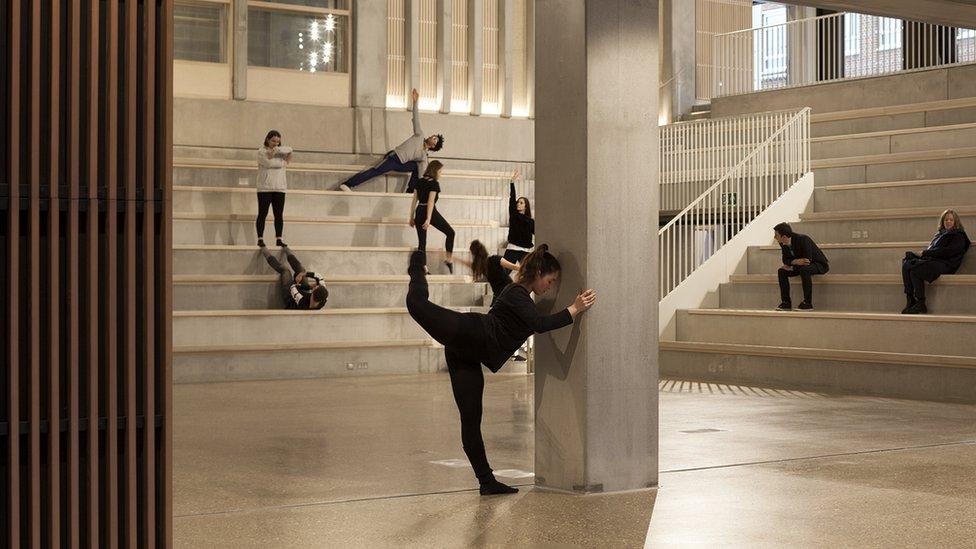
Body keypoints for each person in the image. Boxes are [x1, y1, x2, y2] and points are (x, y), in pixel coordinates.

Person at [405, 244, 596, 495]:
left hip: (467, 353)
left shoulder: (517, 295)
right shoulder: (517, 292)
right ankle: (418, 264)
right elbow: (539, 324)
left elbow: (497, 266)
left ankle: (486, 481)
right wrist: (575, 308)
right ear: (539, 273)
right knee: (417, 304)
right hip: (469, 332)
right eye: (551, 280)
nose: (551, 286)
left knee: (471, 419)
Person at [338, 88, 444, 193]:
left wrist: (427, 185)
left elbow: (423, 172)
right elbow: (416, 119)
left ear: (433, 146)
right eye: (433, 136)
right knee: (375, 171)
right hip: (394, 158)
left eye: (435, 139)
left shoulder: (423, 156)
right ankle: (347, 184)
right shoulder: (419, 135)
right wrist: (415, 102)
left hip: (401, 164)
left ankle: (410, 191)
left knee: (417, 166)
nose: (432, 136)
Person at [901, 209, 971, 314]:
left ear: (955, 222)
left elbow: (946, 252)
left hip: (946, 265)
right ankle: (910, 299)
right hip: (935, 261)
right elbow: (933, 250)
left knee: (915, 270)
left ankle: (921, 303)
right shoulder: (940, 234)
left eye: (951, 220)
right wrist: (921, 255)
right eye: (946, 220)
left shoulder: (959, 236)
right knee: (907, 261)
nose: (948, 222)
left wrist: (924, 253)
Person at [409, 160, 456, 273]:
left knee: (422, 241)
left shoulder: (419, 181)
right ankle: (449, 260)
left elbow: (414, 200)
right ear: (435, 171)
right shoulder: (434, 183)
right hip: (429, 212)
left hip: (419, 211)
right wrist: (429, 219)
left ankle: (424, 267)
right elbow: (430, 202)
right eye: (440, 171)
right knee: (450, 232)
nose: (441, 174)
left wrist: (411, 217)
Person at [773, 222, 829, 311]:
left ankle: (807, 303)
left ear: (784, 237)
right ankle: (786, 303)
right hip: (800, 266)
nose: (774, 237)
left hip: (818, 264)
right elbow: (785, 260)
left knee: (804, 269)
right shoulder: (783, 243)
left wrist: (792, 266)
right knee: (781, 271)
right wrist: (795, 262)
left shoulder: (803, 239)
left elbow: (807, 260)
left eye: (776, 235)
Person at [453, 240, 520, 306]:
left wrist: (453, 258)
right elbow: (513, 266)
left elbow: (464, 262)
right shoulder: (495, 259)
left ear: (474, 254)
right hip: (507, 290)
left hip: (503, 292)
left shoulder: (481, 266)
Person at [256, 130, 293, 248]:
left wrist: (277, 151)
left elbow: (290, 149)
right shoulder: (261, 151)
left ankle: (279, 239)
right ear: (267, 139)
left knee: (279, 214)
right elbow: (269, 164)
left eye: (278, 141)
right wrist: (284, 162)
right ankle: (260, 238)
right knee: (263, 213)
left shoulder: (280, 151)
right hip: (265, 188)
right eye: (273, 141)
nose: (275, 143)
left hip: (280, 187)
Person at [260, 247, 328, 310]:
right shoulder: (323, 299)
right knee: (301, 270)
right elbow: (319, 277)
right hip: (303, 293)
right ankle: (287, 250)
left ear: (313, 292)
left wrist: (300, 285)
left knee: (286, 271)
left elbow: (292, 287)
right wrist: (303, 274)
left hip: (290, 298)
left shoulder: (302, 303)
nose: (315, 286)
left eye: (315, 288)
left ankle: (266, 254)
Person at [504, 168, 535, 264]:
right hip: (513, 248)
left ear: (526, 206)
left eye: (521, 203)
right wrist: (512, 182)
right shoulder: (514, 214)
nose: (518, 204)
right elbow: (512, 199)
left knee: (529, 274)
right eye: (518, 202)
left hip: (526, 251)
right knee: (503, 272)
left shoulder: (531, 221)